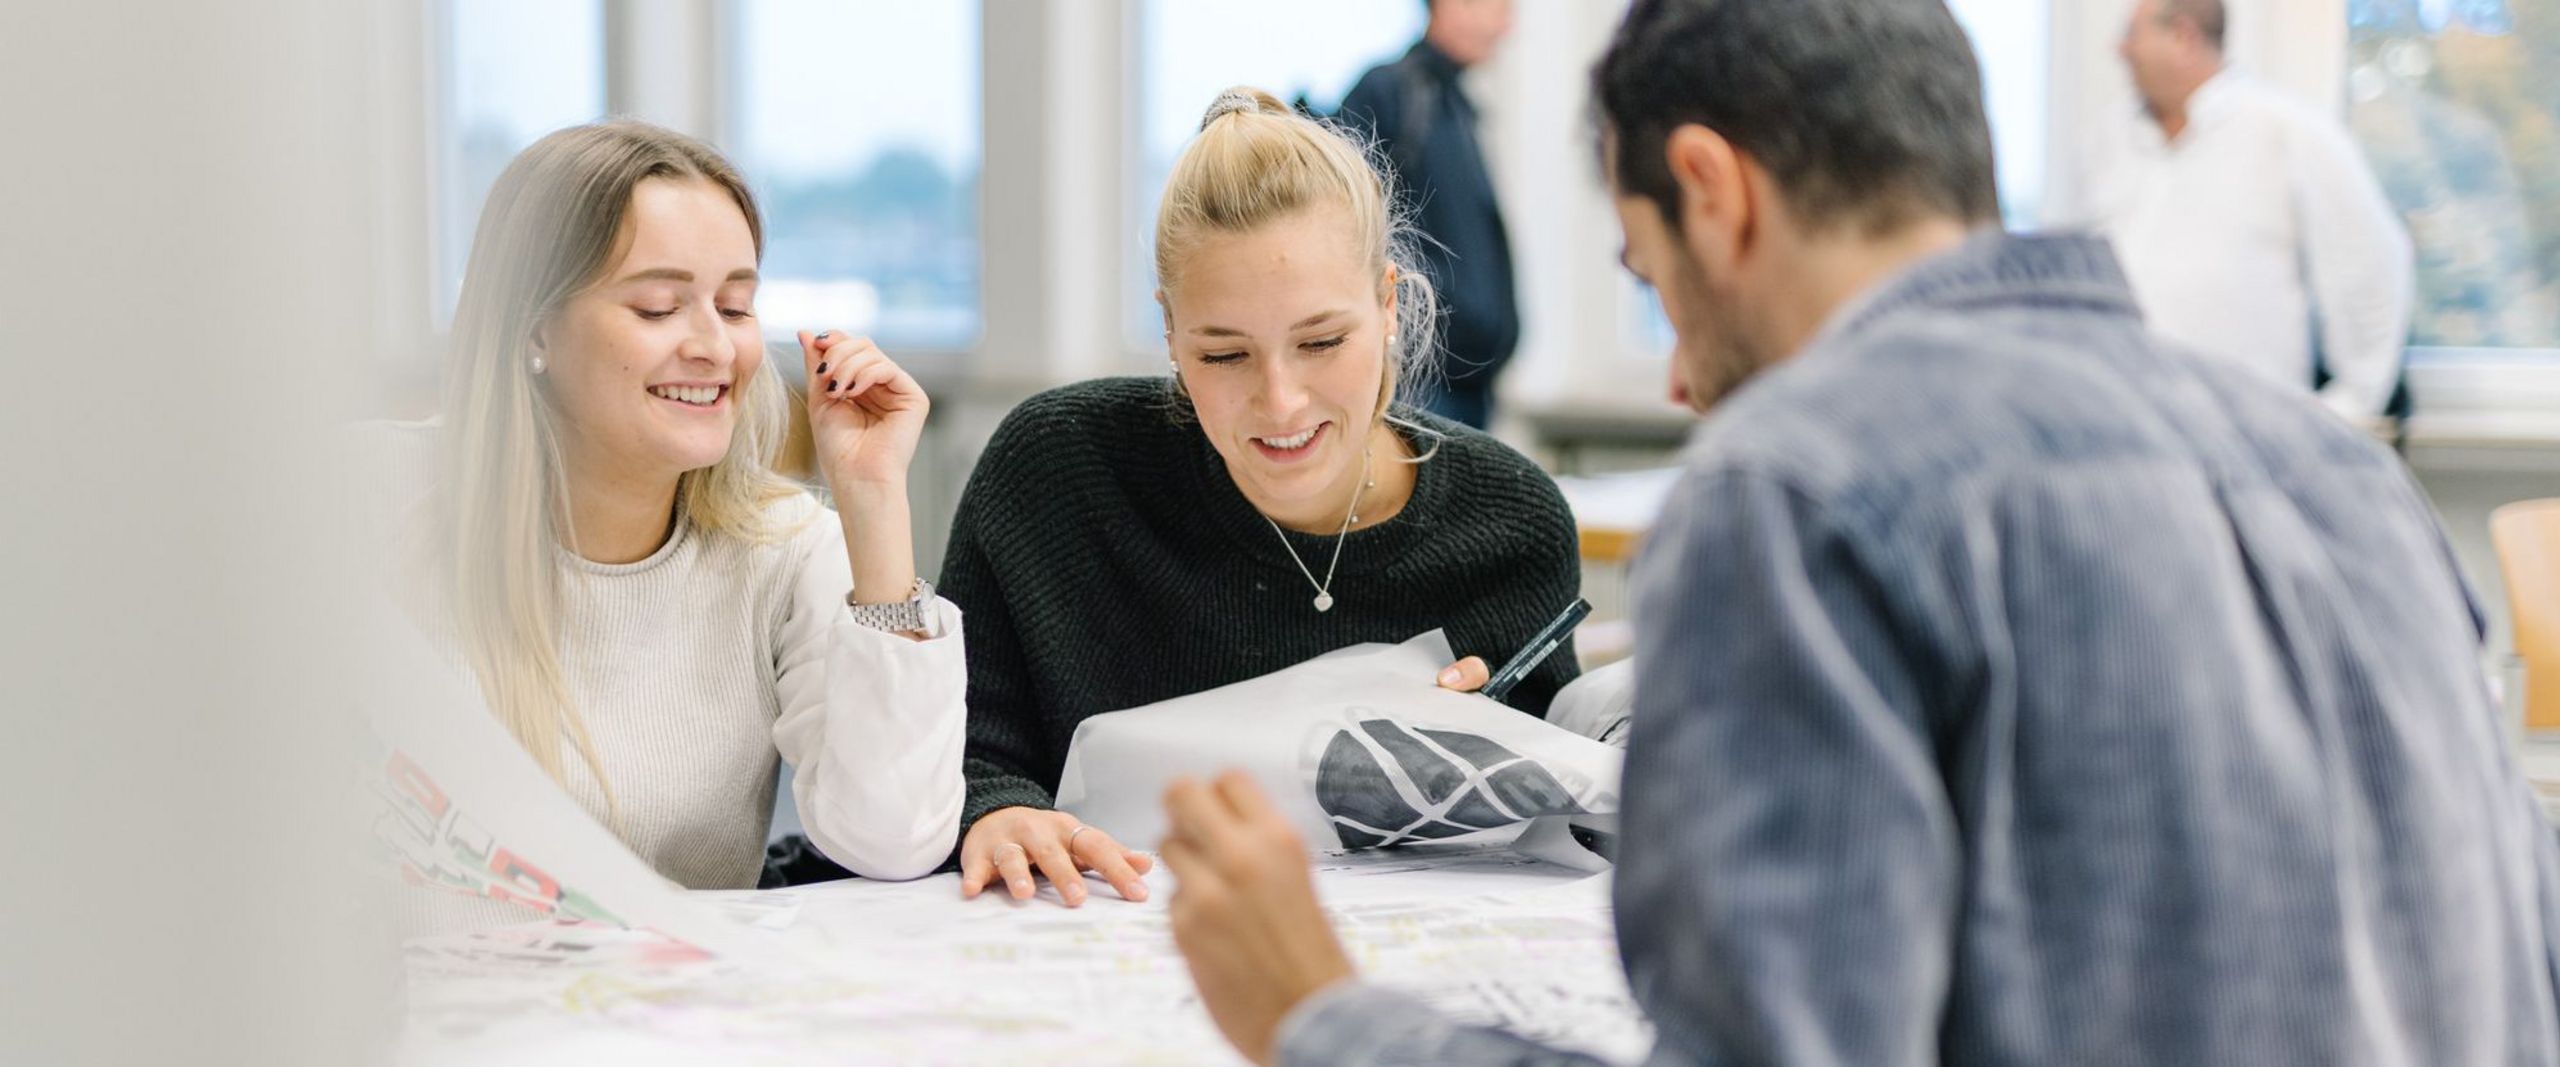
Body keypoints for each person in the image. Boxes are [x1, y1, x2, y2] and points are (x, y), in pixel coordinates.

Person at [1159, 1, 2560, 1064]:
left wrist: (1317, 1012)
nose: (1677, 378)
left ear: (1717, 190)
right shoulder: (2346, 480)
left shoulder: (1798, 491)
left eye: (1658, 283)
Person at [941, 88, 1582, 908]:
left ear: (1387, 304)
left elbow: (1569, 823)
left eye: (1321, 341)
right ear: (1170, 330)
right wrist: (995, 811)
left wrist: (1499, 752)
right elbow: (962, 757)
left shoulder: (1510, 527)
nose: (1280, 402)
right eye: (1223, 354)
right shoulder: (1057, 474)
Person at [374, 121, 966, 905]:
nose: (715, 347)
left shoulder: (787, 551)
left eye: (735, 305)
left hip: (664, 1012)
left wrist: (875, 504)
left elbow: (897, 841)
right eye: (659, 307)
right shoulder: (371, 497)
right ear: (534, 328)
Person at [2076, 0, 2414, 423]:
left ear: (2183, 36)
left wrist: (2350, 404)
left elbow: (2369, 263)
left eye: (2132, 34)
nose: (2119, 49)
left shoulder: (2288, 131)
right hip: (2121, 425)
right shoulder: (2107, 140)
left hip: (2248, 433)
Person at [1336, 0, 1518, 429]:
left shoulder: (1454, 105)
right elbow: (1348, 229)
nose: (1506, 27)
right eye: (1500, 7)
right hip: (1420, 379)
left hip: (1472, 382)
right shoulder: (1389, 91)